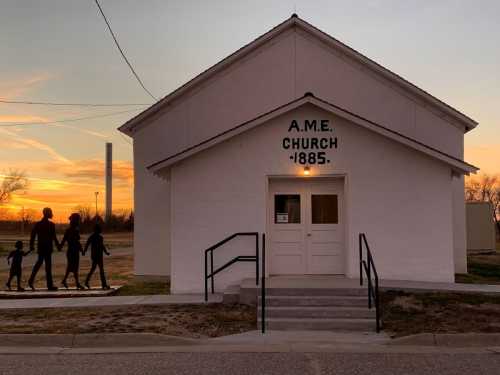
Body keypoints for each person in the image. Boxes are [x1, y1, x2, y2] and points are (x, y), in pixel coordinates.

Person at [28, 207, 61, 291]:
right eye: (50, 212)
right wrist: (58, 246)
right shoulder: (50, 225)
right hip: (47, 248)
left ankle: (31, 280)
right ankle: (49, 285)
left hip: (42, 247)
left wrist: (31, 245)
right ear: (47, 214)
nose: (52, 214)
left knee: (40, 264)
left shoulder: (39, 224)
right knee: (47, 266)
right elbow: (54, 237)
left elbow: (33, 235)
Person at [59, 213, 84, 290]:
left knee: (71, 267)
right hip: (74, 251)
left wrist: (59, 246)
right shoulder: (75, 230)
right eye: (78, 220)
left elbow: (63, 240)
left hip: (70, 251)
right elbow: (77, 242)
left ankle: (67, 281)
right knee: (73, 267)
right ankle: (76, 283)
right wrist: (82, 250)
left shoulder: (68, 230)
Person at [83, 224, 110, 290]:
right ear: (97, 230)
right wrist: (84, 251)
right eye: (100, 229)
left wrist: (106, 252)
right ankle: (103, 284)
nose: (101, 230)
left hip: (96, 255)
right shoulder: (96, 237)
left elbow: (101, 245)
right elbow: (88, 244)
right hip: (97, 256)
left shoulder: (95, 237)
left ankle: (87, 282)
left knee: (95, 269)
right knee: (100, 270)